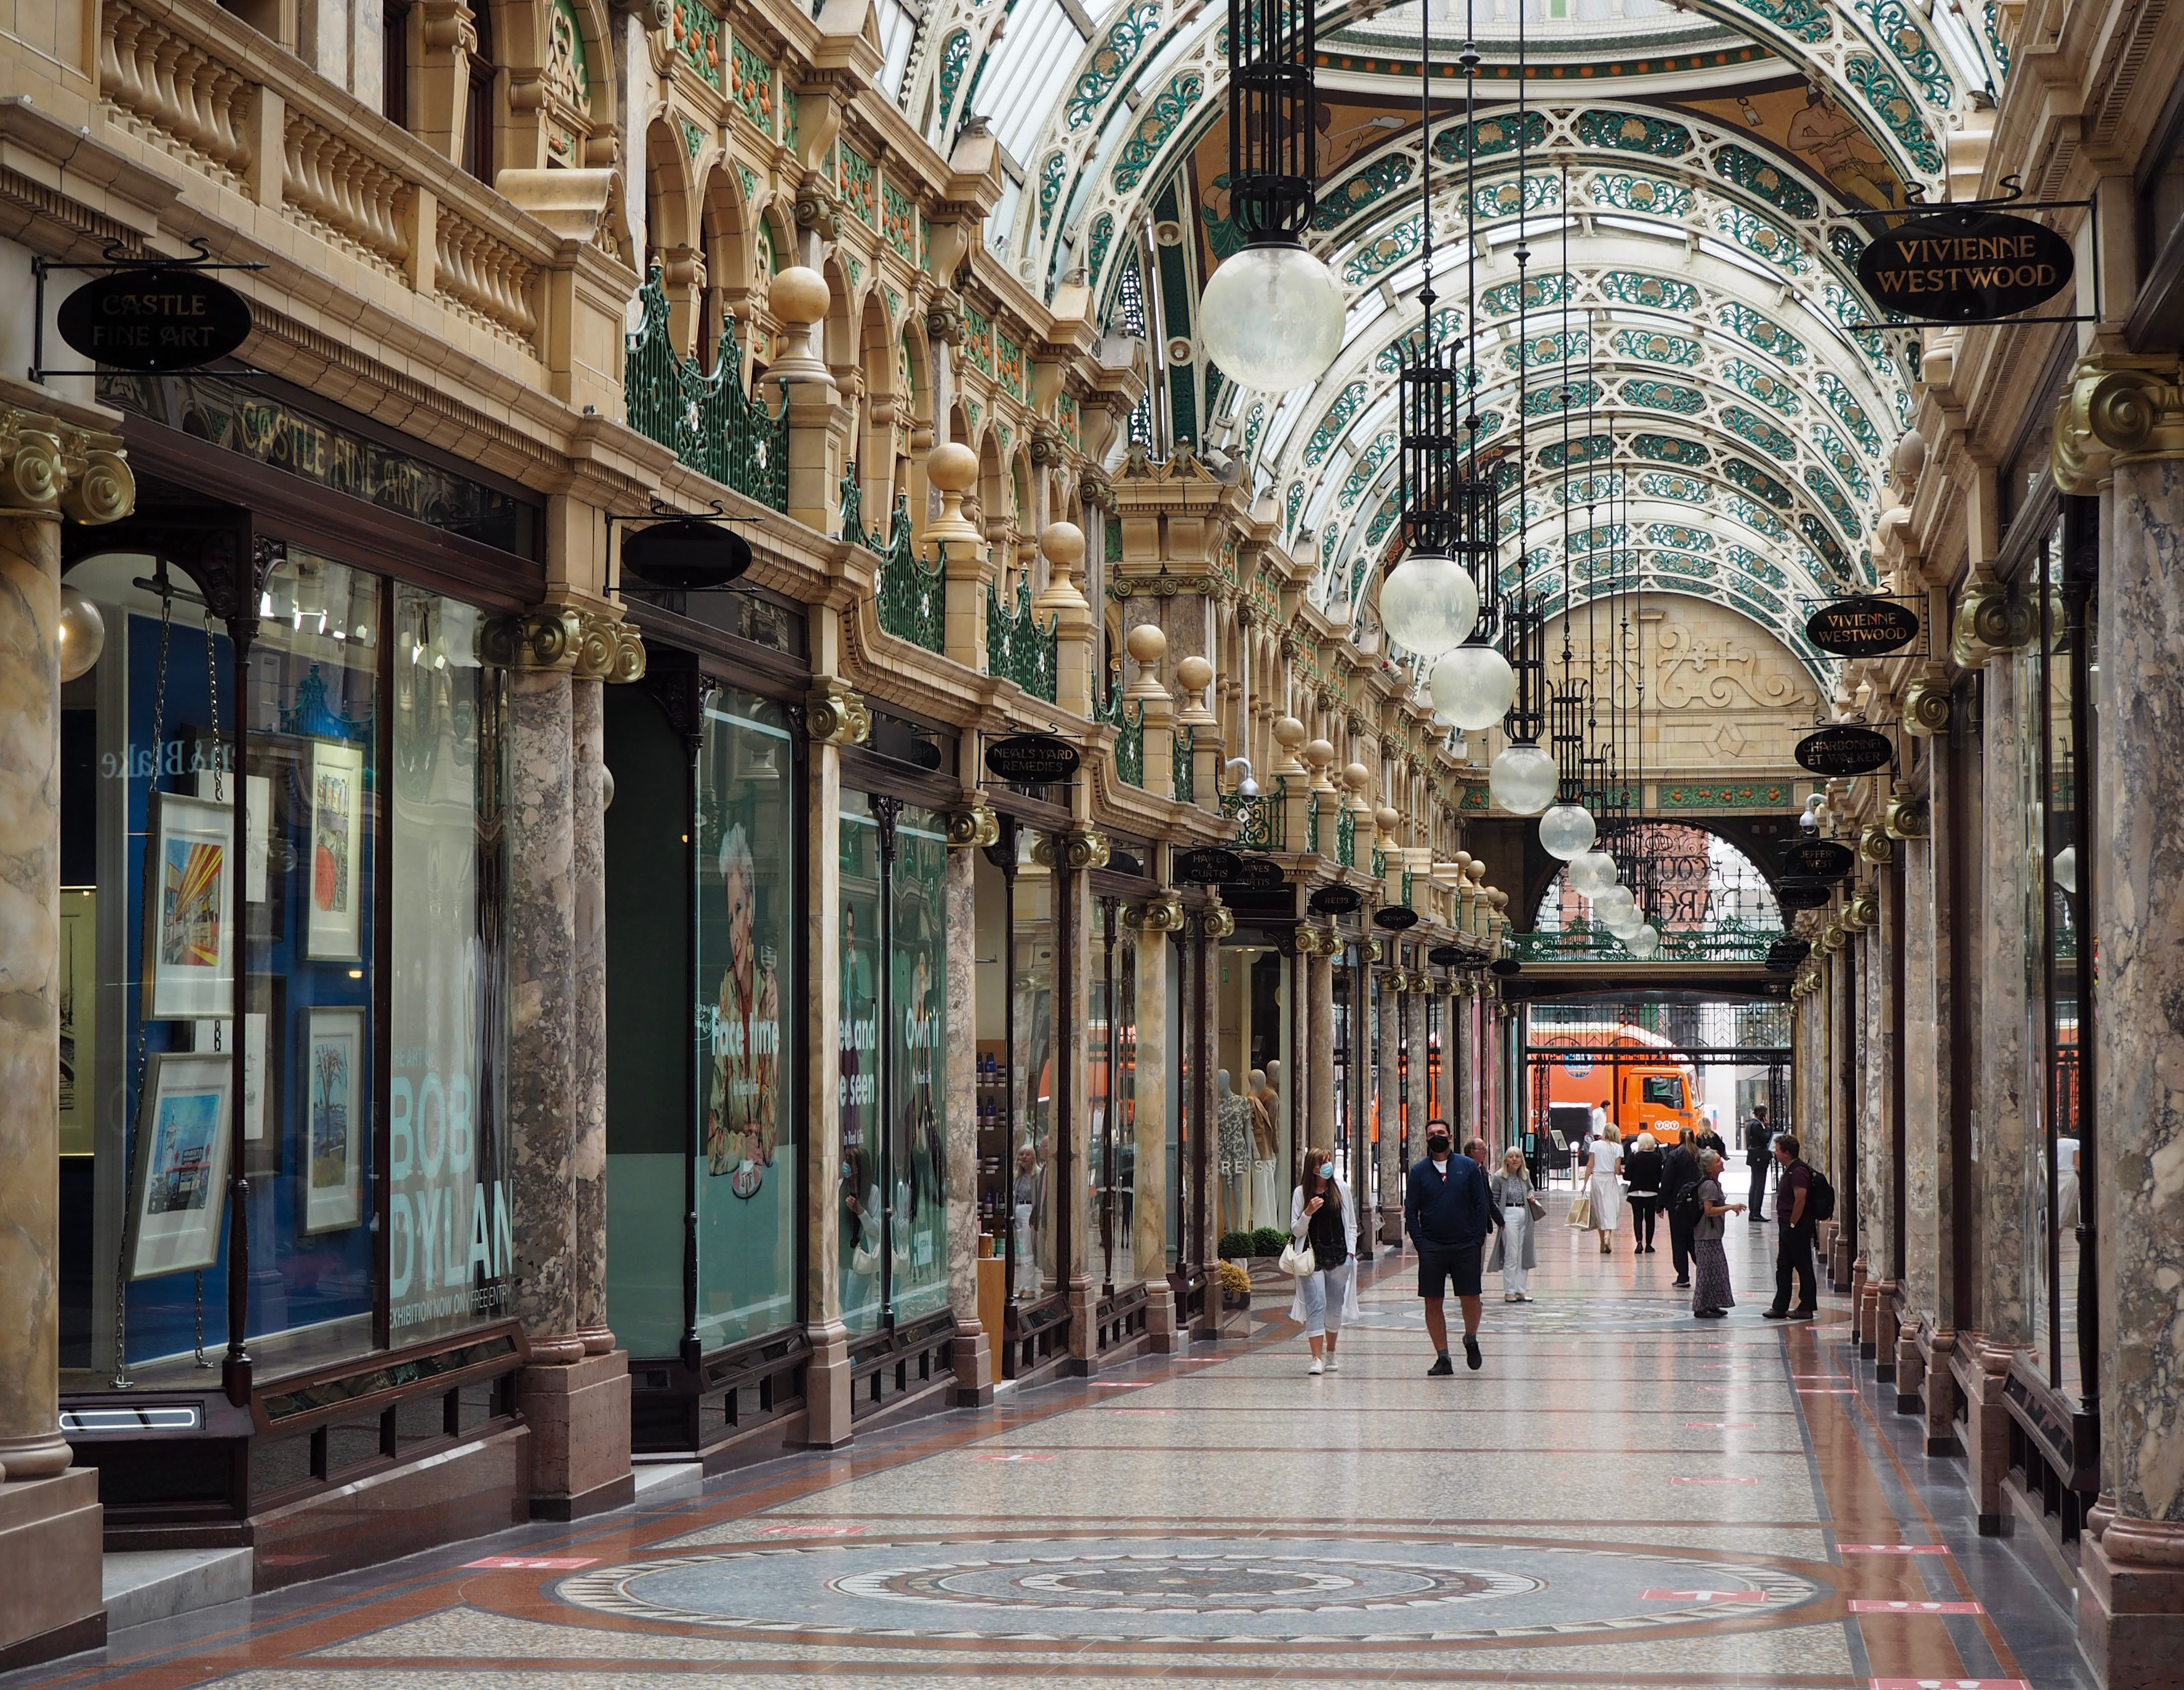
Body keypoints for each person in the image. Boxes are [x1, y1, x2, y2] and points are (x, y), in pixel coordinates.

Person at [1405, 1123, 1494, 1374]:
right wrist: (1420, 1242)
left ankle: (1471, 1338)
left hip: (1465, 1243)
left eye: (1441, 1134)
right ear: (1426, 1139)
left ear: (1451, 1137)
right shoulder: (1419, 1172)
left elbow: (1480, 1203)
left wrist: (1477, 1239)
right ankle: (1443, 1357)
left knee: (1471, 1298)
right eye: (1432, 1135)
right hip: (1432, 1245)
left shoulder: (1467, 1167)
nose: (1437, 1138)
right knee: (1433, 1301)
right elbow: (1411, 1210)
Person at [1288, 1143, 1358, 1375]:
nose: (1328, 1167)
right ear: (1313, 1168)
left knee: (1334, 1307)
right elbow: (1296, 1231)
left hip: (1339, 1257)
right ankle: (1316, 1358)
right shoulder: (1301, 1194)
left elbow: (1351, 1225)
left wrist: (1350, 1254)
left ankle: (1332, 1353)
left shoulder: (1341, 1189)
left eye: (1329, 1161)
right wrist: (1307, 1212)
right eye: (1323, 1163)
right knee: (1316, 1305)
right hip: (1311, 1258)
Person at [1763, 1132, 1819, 1319]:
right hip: (1789, 1226)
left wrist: (1793, 1224)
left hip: (1797, 1227)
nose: (1775, 1154)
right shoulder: (1791, 1169)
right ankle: (1780, 1306)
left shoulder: (1799, 1172)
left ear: (1787, 1153)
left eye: (1777, 1150)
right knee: (1784, 1266)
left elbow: (1800, 1199)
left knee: (1803, 1266)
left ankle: (1806, 1307)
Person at [1691, 1148, 1746, 1318]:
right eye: (1717, 1161)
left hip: (1713, 1234)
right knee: (1706, 1271)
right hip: (1706, 1234)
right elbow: (1709, 1210)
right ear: (1709, 1168)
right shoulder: (1709, 1185)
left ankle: (1713, 1303)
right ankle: (1701, 1307)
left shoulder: (1713, 1183)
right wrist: (1730, 1207)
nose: (1721, 1162)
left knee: (1717, 1270)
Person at [1488, 1147, 1536, 1302]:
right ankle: (1509, 1291)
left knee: (1524, 1254)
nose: (1515, 1159)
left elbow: (1530, 1188)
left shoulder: (1525, 1175)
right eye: (1511, 1157)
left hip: (1525, 1215)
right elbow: (1494, 1199)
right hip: (1508, 1215)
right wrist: (1499, 1219)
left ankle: (1521, 1290)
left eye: (1517, 1157)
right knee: (1511, 1254)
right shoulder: (1499, 1177)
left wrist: (1531, 1195)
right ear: (1506, 1160)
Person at [1661, 1134, 1701, 1287]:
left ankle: (1683, 1276)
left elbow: (1667, 1180)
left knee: (1678, 1240)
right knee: (1694, 1239)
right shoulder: (1700, 1154)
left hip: (1677, 1204)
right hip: (1696, 1204)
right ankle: (1703, 1269)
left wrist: (1661, 1204)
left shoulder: (1674, 1155)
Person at [1583, 1122, 1624, 1255]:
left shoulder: (1595, 1145)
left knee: (1599, 1210)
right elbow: (1617, 1170)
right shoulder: (1618, 1148)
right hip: (1609, 1180)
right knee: (1610, 1209)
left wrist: (1584, 1184)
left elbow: (1590, 1165)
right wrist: (1622, 1172)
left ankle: (1602, 1242)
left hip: (1597, 1179)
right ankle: (1608, 1237)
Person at [1623, 1130, 1664, 1254]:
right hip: (1652, 1193)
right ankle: (1649, 1245)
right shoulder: (1657, 1158)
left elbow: (1627, 1177)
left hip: (1636, 1193)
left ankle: (1639, 1242)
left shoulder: (1634, 1157)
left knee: (1638, 1218)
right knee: (1650, 1219)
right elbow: (1661, 1177)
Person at [1744, 1104, 1773, 1221]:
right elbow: (1766, 1138)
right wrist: (1768, 1128)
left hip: (1753, 1157)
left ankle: (1753, 1212)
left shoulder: (1750, 1124)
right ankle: (1756, 1212)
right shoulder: (1756, 1125)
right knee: (1759, 1186)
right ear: (1761, 1114)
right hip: (1759, 1158)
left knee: (1754, 1184)